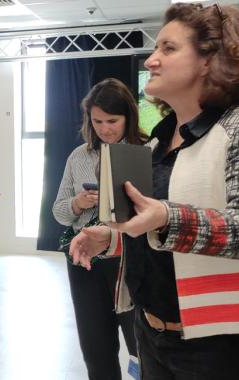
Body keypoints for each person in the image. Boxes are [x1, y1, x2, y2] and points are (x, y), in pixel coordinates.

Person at [70, 4, 239, 380]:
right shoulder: (158, 141)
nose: (150, 61)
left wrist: (164, 215)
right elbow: (154, 228)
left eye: (168, 49)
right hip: (155, 332)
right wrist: (111, 237)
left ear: (210, 61)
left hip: (233, 339)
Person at [52, 78, 145, 380]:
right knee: (96, 349)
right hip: (86, 264)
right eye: (97, 121)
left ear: (128, 117)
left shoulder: (145, 152)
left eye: (112, 121)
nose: (105, 129)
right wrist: (78, 203)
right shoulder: (78, 156)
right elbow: (58, 212)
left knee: (141, 348)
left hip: (131, 260)